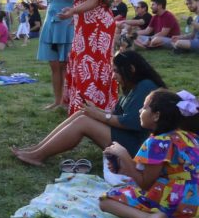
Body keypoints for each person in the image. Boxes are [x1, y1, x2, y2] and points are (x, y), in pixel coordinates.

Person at [12, 51, 164, 165]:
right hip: (130, 138)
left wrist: (98, 115)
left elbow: (130, 122)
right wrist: (96, 111)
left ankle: (38, 155)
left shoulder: (146, 86)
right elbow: (117, 114)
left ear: (131, 69)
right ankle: (37, 149)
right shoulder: (133, 85)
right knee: (83, 114)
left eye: (116, 71)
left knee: (84, 122)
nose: (113, 76)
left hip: (138, 148)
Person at [100, 89, 199, 218]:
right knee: (132, 185)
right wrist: (126, 169)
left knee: (105, 201)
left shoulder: (157, 142)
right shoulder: (189, 136)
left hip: (176, 206)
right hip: (194, 208)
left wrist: (124, 155)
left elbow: (146, 183)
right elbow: (170, 171)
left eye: (144, 107)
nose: (140, 110)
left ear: (156, 115)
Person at [58, 0, 118, 116]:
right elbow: (87, 2)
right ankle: (89, 108)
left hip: (97, 26)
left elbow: (92, 1)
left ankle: (90, 109)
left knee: (91, 64)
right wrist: (75, 18)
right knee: (86, 63)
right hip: (90, 23)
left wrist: (72, 12)